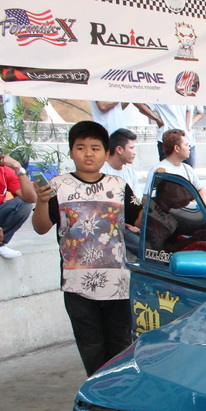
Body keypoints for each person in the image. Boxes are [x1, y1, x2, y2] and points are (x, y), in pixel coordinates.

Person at [31, 121, 143, 376]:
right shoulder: (57, 186)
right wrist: (42, 201)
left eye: (95, 148)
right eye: (81, 148)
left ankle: (115, 393)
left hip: (118, 285)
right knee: (91, 347)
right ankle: (98, 392)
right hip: (77, 286)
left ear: (106, 152)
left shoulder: (118, 185)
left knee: (120, 346)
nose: (88, 154)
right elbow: (41, 227)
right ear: (71, 152)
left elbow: (139, 219)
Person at [145, 129, 206, 207]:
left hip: (189, 213)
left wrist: (203, 208)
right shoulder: (157, 170)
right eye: (186, 145)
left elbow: (201, 190)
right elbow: (146, 198)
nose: (189, 148)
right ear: (177, 148)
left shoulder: (188, 169)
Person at [0, 153, 38, 259]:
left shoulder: (5, 172)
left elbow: (31, 198)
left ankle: (0, 244)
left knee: (24, 204)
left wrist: (18, 168)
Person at [100, 128, 141, 199]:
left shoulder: (130, 172)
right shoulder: (100, 171)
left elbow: (137, 199)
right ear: (119, 149)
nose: (134, 153)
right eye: (131, 148)